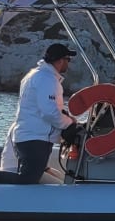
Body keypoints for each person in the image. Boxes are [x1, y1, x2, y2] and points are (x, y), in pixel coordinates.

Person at [9, 43, 79, 184]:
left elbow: (48, 108)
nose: (68, 63)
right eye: (68, 59)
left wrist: (65, 117)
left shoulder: (35, 75)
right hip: (35, 139)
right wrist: (70, 123)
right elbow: (50, 113)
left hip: (29, 137)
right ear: (60, 60)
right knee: (27, 179)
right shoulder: (47, 79)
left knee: (30, 178)